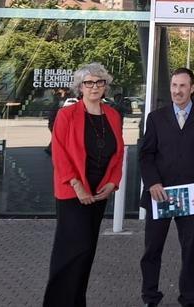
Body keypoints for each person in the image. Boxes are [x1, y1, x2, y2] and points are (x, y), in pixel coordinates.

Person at [42, 63, 125, 307]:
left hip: (98, 193)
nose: (94, 87)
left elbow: (118, 154)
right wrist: (78, 186)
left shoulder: (113, 116)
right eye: (89, 83)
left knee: (87, 251)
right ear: (80, 87)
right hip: (73, 192)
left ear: (105, 86)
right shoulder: (67, 115)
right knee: (70, 251)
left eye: (99, 82)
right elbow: (59, 154)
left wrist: (112, 183)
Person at [138, 67, 194, 307]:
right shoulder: (156, 118)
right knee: (152, 250)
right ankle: (150, 297)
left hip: (190, 196)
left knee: (190, 251)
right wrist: (152, 182)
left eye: (183, 86)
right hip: (160, 194)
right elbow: (146, 155)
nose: (177, 91)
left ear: (192, 88)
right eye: (174, 85)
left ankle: (189, 299)